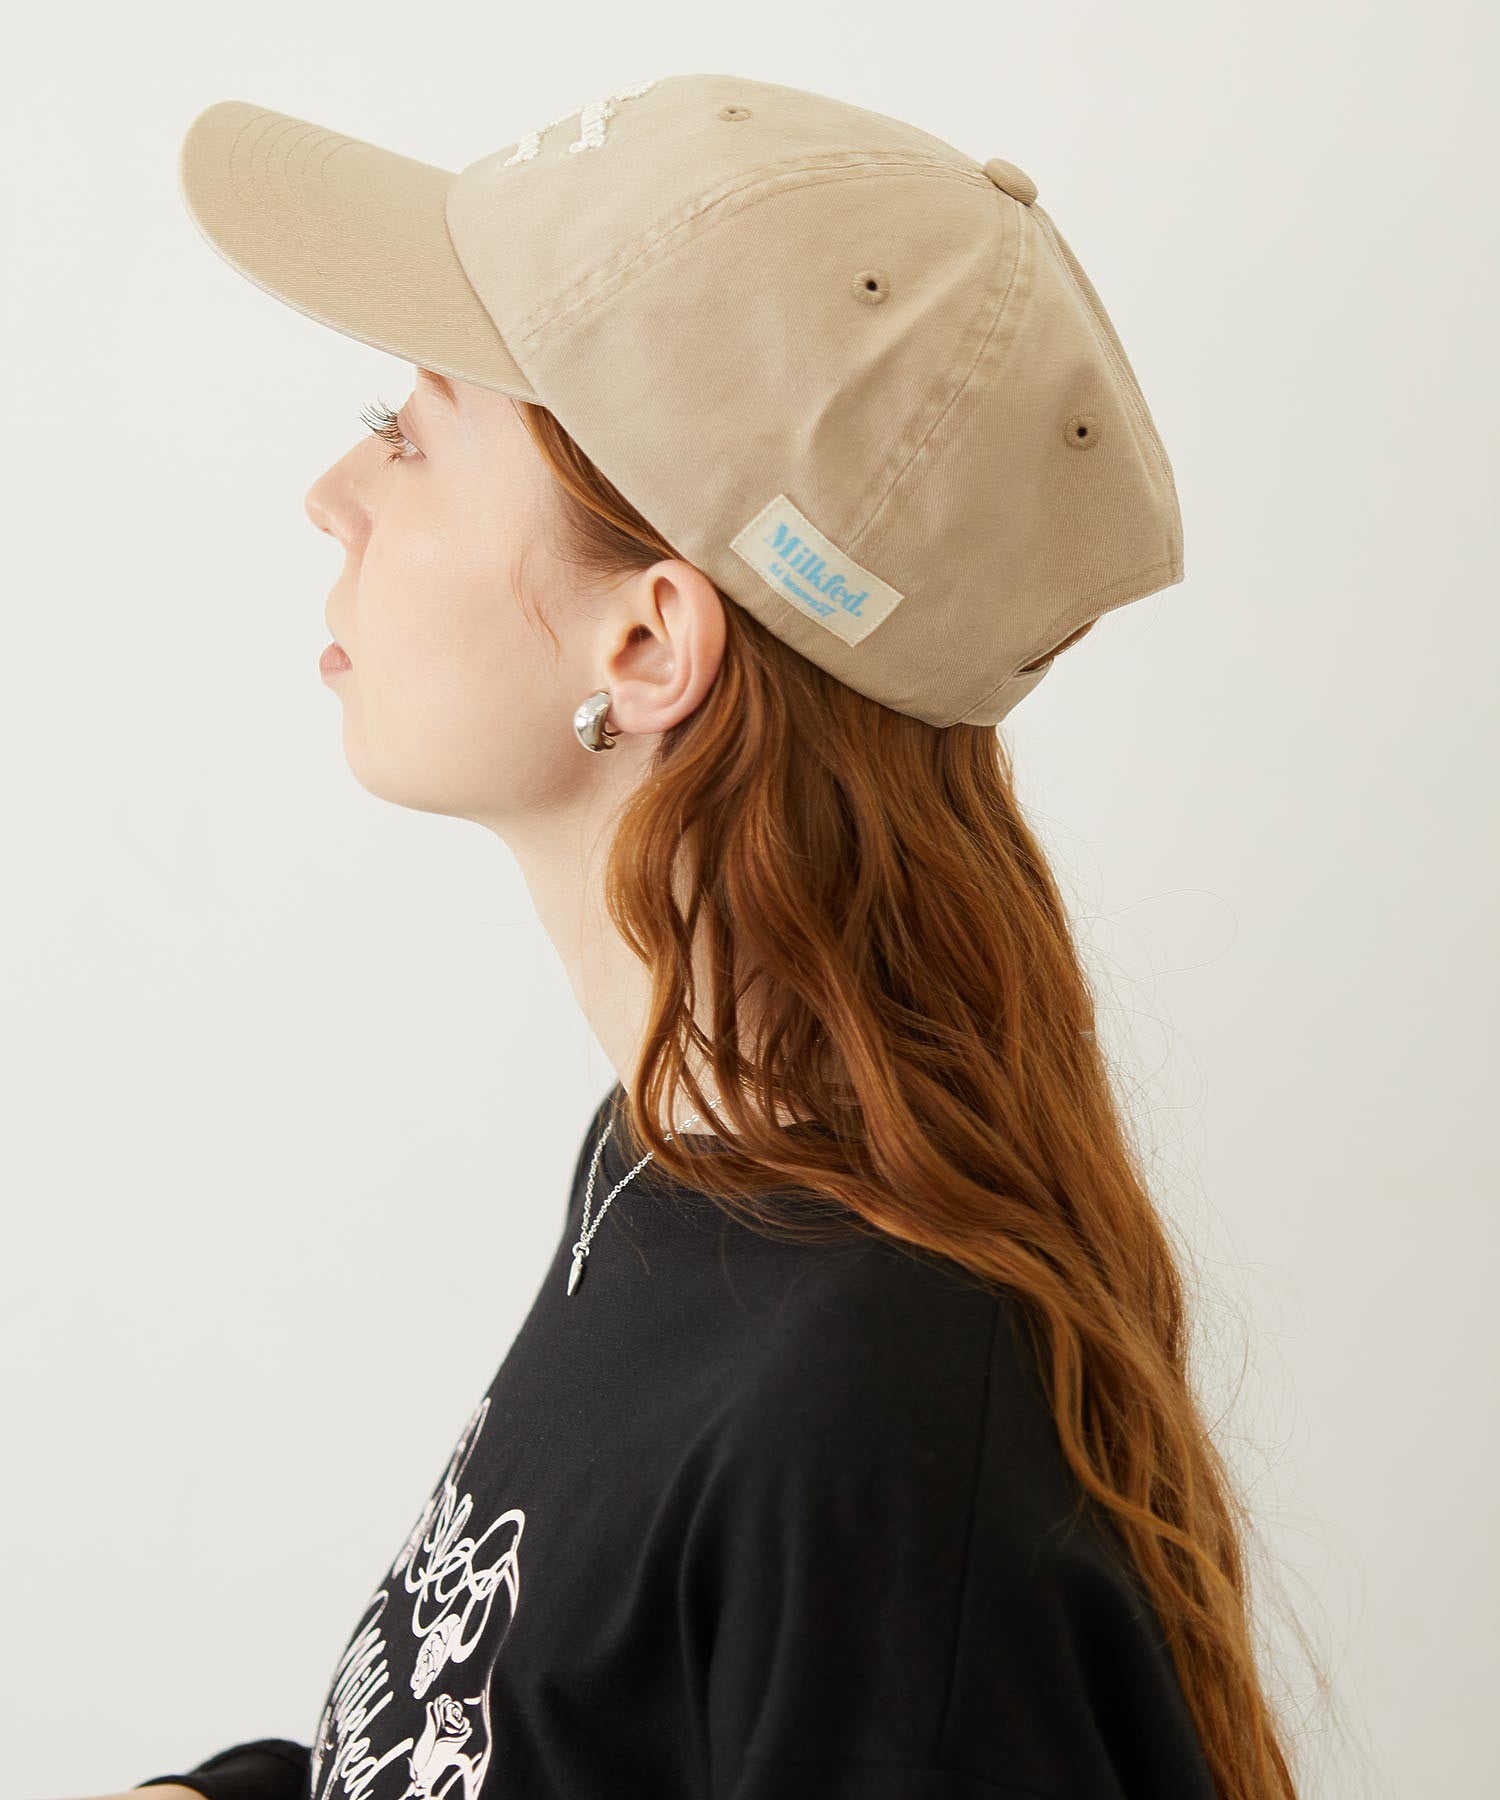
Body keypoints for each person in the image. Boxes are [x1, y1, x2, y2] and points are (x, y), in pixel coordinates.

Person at [72, 71, 1304, 1800]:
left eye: (410, 430)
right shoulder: (682, 1158)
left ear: (650, 645)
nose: (333, 492)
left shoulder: (871, 1426)